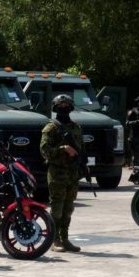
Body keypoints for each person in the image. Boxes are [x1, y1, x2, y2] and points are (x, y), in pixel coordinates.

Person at [40, 94, 84, 253]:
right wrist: (63, 149)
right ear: (55, 108)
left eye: (67, 105)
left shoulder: (76, 127)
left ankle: (64, 239)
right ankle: (54, 240)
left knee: (68, 208)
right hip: (58, 173)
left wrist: (83, 165)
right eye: (61, 106)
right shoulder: (51, 127)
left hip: (73, 173)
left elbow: (81, 149)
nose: (64, 108)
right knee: (57, 208)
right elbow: (44, 151)